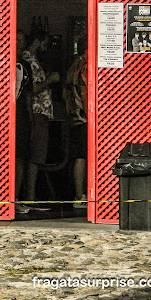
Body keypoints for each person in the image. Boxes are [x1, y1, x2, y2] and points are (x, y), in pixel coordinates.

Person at [22, 29, 60, 208]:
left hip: (40, 113)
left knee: (36, 155)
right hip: (37, 112)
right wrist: (51, 80)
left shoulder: (33, 60)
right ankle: (29, 197)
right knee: (35, 156)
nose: (46, 48)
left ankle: (30, 195)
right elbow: (33, 88)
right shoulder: (29, 61)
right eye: (45, 44)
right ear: (37, 41)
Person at [65, 36, 88, 208]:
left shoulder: (73, 66)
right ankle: (80, 196)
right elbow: (85, 94)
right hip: (84, 118)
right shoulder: (85, 68)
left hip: (74, 118)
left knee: (78, 157)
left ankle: (79, 195)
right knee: (82, 157)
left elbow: (65, 94)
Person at [15, 30, 33, 214]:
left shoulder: (25, 65)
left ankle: (16, 197)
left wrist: (30, 119)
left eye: (22, 41)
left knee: (20, 156)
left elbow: (28, 95)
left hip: (20, 117)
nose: (19, 43)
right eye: (16, 39)